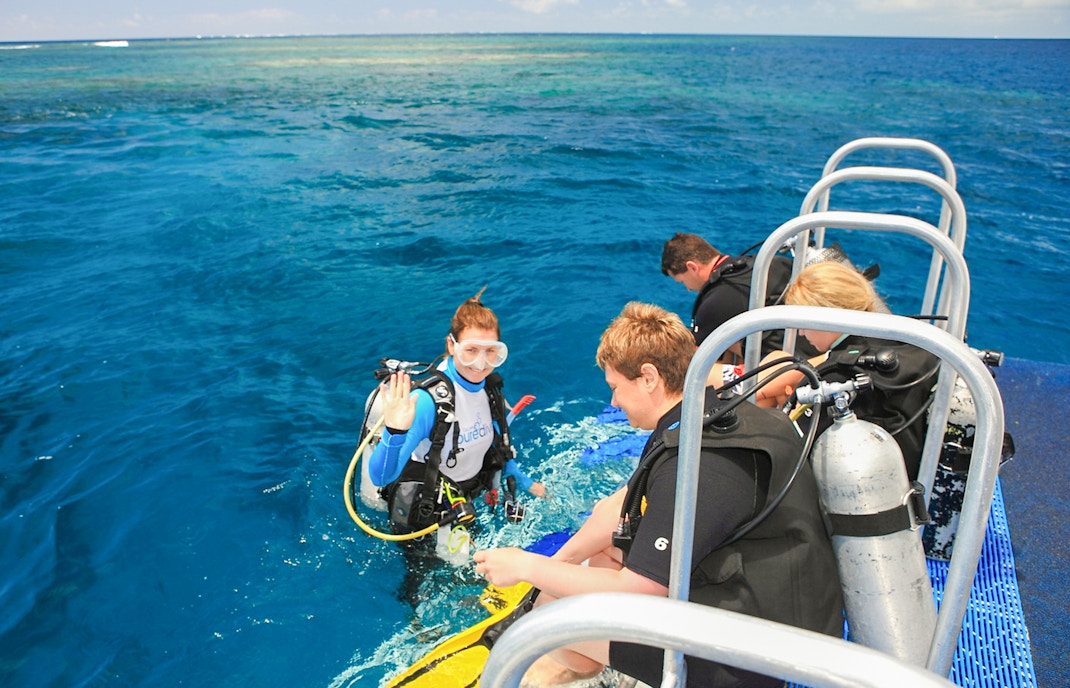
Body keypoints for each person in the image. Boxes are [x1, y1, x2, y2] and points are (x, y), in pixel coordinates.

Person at [473, 302, 843, 688]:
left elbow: (640, 589)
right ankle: (604, 656)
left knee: (552, 618)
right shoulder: (711, 414)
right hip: (778, 595)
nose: (614, 401)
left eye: (615, 387)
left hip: (760, 656)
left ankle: (576, 665)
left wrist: (526, 568)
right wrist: (552, 568)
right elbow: (614, 509)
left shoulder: (703, 462)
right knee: (600, 554)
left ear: (648, 377)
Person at [369, 288, 546, 536]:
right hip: (424, 513)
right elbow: (380, 476)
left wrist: (519, 476)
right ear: (452, 346)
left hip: (464, 501)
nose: (481, 363)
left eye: (491, 351)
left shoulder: (490, 388)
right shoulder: (427, 402)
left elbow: (495, 437)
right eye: (471, 350)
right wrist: (394, 432)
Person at [756, 261, 940, 482]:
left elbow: (793, 455)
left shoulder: (835, 378)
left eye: (802, 323)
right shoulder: (905, 341)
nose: (801, 333)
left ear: (826, 316)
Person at [661, 232, 812, 360]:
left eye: (682, 281)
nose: (687, 289)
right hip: (814, 336)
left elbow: (694, 356)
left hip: (795, 360)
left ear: (692, 267)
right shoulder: (766, 262)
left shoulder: (713, 304)